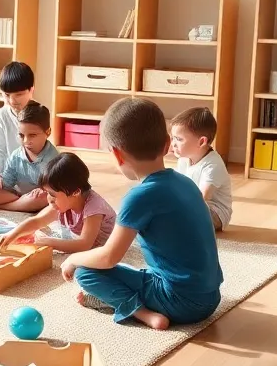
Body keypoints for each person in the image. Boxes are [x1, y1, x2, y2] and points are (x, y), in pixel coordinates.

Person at [60, 98, 222, 330]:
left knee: (85, 272)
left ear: (117, 155)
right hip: (210, 298)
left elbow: (109, 257)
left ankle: (142, 312)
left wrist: (72, 258)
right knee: (135, 271)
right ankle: (124, 301)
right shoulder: (186, 183)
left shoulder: (139, 197)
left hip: (180, 302)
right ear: (167, 144)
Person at [0, 152, 116, 253]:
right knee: (37, 231)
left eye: (52, 194)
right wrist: (12, 234)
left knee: (44, 238)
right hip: (76, 234)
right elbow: (37, 221)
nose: (49, 198)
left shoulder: (94, 209)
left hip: (99, 244)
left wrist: (49, 242)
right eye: (47, 193)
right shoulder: (63, 202)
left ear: (75, 192)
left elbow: (84, 245)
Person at [0, 101, 57, 212]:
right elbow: (8, 181)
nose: (26, 141)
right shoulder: (16, 155)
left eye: (32, 135)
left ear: (48, 132)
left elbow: (55, 188)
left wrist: (43, 189)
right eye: (21, 135)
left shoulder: (54, 159)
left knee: (42, 198)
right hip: (19, 195)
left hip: (39, 198)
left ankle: (2, 207)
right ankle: (22, 204)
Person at [169, 107, 233, 231]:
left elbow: (202, 198)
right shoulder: (184, 159)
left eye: (179, 139)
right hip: (193, 205)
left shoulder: (213, 165)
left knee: (176, 216)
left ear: (201, 142)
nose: (173, 144)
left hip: (214, 212)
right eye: (173, 138)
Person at [0, 61, 35, 193]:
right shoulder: (1, 115)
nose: (12, 101)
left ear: (31, 90)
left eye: (19, 95)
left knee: (47, 196)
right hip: (10, 178)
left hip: (36, 179)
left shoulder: (39, 114)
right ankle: (22, 204)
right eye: (7, 95)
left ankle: (15, 205)